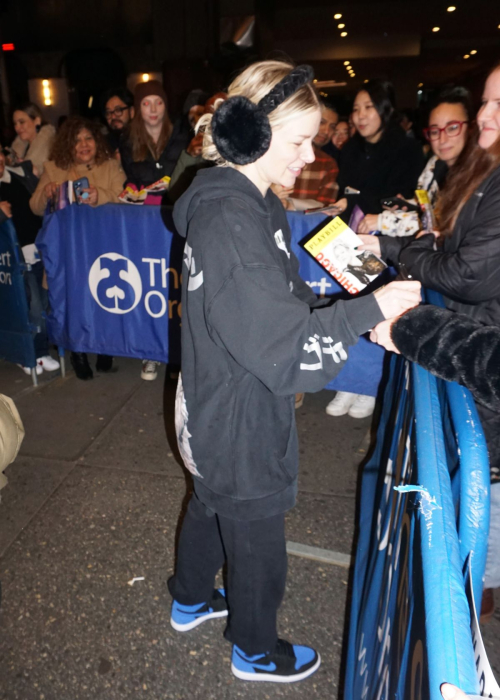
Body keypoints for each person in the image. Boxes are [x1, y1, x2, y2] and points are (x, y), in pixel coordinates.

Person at [168, 59, 421, 684]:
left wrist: (357, 306)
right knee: (253, 526)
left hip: (214, 400)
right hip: (235, 408)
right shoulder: (231, 217)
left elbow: (276, 302)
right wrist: (365, 310)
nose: (310, 155)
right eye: (299, 139)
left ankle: (189, 597)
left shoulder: (248, 201)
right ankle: (254, 649)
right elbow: (279, 346)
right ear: (252, 133)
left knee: (211, 498)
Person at [363, 61, 500, 622]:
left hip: (477, 351)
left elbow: (467, 273)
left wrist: (405, 316)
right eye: (486, 102)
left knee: (484, 476)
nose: (486, 116)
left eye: (494, 107)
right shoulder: (482, 170)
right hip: (469, 338)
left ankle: (475, 594)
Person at [325, 79, 424, 420]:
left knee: (382, 310)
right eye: (356, 108)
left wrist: (375, 210)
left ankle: (370, 385)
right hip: (352, 238)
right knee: (355, 303)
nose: (361, 115)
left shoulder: (405, 148)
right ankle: (348, 381)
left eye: (368, 107)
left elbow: (407, 201)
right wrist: (342, 203)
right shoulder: (351, 149)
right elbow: (350, 190)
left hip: (389, 242)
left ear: (384, 110)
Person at [30, 116, 125, 381]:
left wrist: (101, 196)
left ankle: (105, 347)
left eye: (88, 138)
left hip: (103, 247)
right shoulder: (54, 168)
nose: (83, 144)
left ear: (97, 141)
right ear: (67, 146)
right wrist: (46, 192)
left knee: (104, 298)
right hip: (68, 252)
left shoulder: (111, 166)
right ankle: (78, 351)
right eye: (77, 140)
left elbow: (125, 198)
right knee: (74, 302)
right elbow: (34, 206)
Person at [358, 86, 473, 237]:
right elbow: (427, 207)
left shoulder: (478, 173)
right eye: (434, 131)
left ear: (471, 127)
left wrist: (383, 221)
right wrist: (407, 204)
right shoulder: (435, 163)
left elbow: (440, 225)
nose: (442, 139)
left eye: (452, 128)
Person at [0, 145, 59, 375]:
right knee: (31, 305)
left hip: (39, 248)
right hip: (14, 257)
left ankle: (41, 351)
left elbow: (37, 202)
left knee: (44, 303)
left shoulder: (19, 176)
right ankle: (29, 353)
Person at [10, 103, 55, 177]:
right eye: (15, 124)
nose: (17, 127)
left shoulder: (50, 145)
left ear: (37, 121)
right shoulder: (19, 148)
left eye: (21, 122)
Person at [101, 86, 135, 154]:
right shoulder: (104, 145)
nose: (113, 117)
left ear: (131, 111)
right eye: (108, 113)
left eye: (118, 110)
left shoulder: (144, 141)